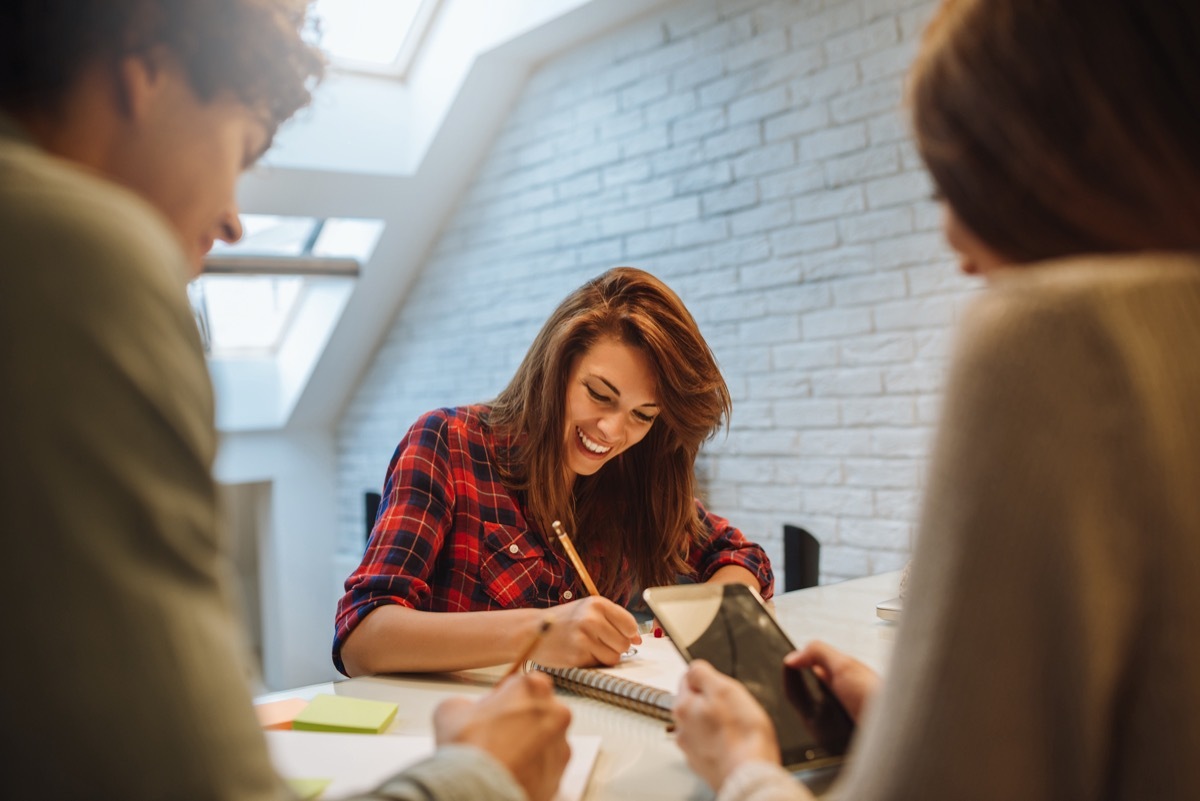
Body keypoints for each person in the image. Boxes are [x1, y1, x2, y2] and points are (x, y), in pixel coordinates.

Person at [0, 2, 570, 800]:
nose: (233, 218)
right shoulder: (76, 261)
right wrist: (485, 773)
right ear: (145, 64)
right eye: (242, 148)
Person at [672, 0, 1200, 799]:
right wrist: (914, 721)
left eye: (950, 186)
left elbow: (734, 554)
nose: (954, 243)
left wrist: (744, 765)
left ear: (1039, 162)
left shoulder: (1057, 338)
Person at [336, 267, 775, 675]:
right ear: (556, 366)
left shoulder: (627, 475)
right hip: (463, 735)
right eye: (600, 394)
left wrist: (714, 629)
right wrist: (539, 633)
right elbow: (361, 638)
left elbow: (739, 556)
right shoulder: (448, 444)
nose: (613, 431)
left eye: (642, 415)